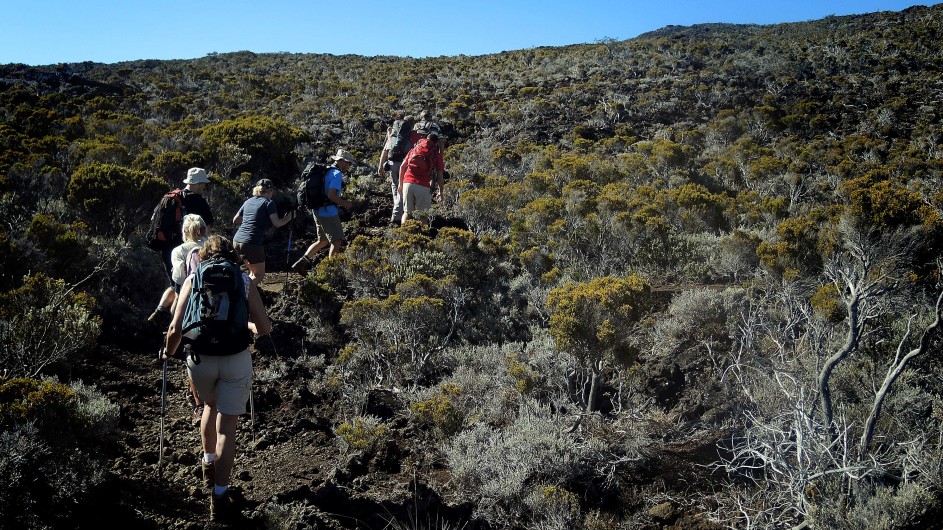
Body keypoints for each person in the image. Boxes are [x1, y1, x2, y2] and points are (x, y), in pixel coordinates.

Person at [162, 235, 272, 523]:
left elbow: (175, 328)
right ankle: (219, 496)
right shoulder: (243, 280)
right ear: (231, 255)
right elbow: (263, 328)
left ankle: (207, 463)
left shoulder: (193, 279)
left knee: (209, 406)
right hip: (235, 359)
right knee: (228, 428)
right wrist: (246, 324)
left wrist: (167, 352)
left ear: (205, 255)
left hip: (199, 361)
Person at [148, 167, 215, 324]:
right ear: (197, 184)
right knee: (182, 292)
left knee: (175, 283)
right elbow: (208, 230)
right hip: (189, 251)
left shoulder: (171, 197)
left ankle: (159, 312)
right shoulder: (199, 202)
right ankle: (175, 326)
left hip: (168, 249)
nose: (204, 187)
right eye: (203, 184)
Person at [291, 149, 356, 275]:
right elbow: (331, 195)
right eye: (349, 163)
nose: (349, 166)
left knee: (323, 240)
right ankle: (332, 271)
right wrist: (345, 203)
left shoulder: (326, 170)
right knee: (336, 241)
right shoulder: (337, 174)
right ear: (342, 162)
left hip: (317, 210)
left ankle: (302, 262)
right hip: (329, 213)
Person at [169, 213, 208, 422]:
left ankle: (200, 404)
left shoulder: (179, 251)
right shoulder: (213, 246)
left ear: (185, 232)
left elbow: (178, 280)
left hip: (192, 309)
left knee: (192, 356)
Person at [232, 178, 295, 285]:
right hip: (252, 242)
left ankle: (245, 295)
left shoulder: (248, 201)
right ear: (270, 191)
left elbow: (235, 220)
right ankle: (242, 295)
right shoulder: (269, 203)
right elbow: (277, 223)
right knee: (259, 275)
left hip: (237, 240)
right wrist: (289, 217)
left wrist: (250, 219)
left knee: (252, 272)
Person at [398, 132, 445, 226]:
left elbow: (402, 166)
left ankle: (403, 233)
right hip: (423, 186)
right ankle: (422, 237)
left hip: (408, 183)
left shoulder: (415, 149)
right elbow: (440, 175)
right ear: (436, 143)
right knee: (423, 216)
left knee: (407, 213)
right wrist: (441, 191)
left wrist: (400, 184)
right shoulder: (435, 153)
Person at [376, 112, 414, 224]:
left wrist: (380, 166)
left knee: (395, 185)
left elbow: (385, 151)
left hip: (391, 163)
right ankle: (397, 215)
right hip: (403, 164)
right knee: (401, 187)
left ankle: (397, 206)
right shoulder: (409, 135)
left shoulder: (393, 135)